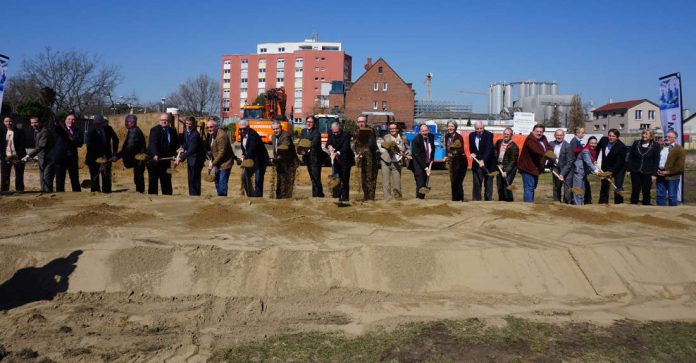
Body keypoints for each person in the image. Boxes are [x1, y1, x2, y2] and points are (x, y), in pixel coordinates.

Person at [49, 113, 84, 192]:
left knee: (75, 179)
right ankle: (60, 195)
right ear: (65, 121)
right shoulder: (61, 129)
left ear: (75, 121)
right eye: (69, 119)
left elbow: (80, 144)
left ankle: (77, 195)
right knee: (60, 179)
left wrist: (74, 140)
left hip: (72, 159)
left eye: (73, 119)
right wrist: (56, 121)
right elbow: (56, 127)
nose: (71, 121)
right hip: (60, 158)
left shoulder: (79, 132)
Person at [518, 124, 552, 203]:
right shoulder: (530, 139)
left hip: (536, 168)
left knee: (532, 187)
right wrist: (547, 154)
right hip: (527, 167)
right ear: (533, 131)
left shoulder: (543, 138)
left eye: (541, 132)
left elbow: (549, 147)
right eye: (537, 131)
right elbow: (535, 150)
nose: (539, 133)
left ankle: (530, 203)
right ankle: (528, 206)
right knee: (529, 187)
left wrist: (551, 152)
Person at [85, 115, 119, 193]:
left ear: (103, 123)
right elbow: (90, 148)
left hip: (107, 157)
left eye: (100, 123)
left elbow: (115, 139)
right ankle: (95, 192)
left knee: (106, 176)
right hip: (93, 158)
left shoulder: (108, 129)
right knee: (95, 177)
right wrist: (100, 162)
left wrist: (115, 153)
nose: (99, 125)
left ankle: (107, 192)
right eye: (97, 124)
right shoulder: (91, 133)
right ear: (94, 124)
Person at [626, 128, 660, 205]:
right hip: (635, 170)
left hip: (648, 172)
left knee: (646, 191)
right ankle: (633, 205)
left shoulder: (655, 145)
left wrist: (654, 174)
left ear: (651, 136)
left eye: (646, 134)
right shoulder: (636, 143)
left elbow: (656, 160)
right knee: (635, 190)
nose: (644, 135)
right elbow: (631, 157)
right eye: (643, 133)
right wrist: (628, 169)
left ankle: (646, 205)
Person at [147, 113, 179, 195]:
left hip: (166, 161)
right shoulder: (154, 130)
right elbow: (153, 143)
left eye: (166, 120)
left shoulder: (172, 131)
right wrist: (155, 154)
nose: (164, 122)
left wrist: (176, 154)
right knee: (153, 182)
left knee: (166, 181)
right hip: (154, 161)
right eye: (162, 120)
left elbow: (175, 145)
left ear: (169, 121)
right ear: (159, 121)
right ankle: (153, 199)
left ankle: (167, 198)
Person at [378, 122, 409, 199]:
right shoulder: (386, 137)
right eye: (390, 129)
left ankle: (398, 198)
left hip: (397, 162)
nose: (392, 130)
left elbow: (408, 148)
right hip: (386, 161)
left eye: (394, 128)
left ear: (397, 129)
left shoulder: (403, 138)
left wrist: (407, 153)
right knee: (386, 182)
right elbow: (390, 145)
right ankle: (387, 199)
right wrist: (399, 150)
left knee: (397, 182)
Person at [23, 117, 55, 192]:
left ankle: (48, 195)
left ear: (40, 122)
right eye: (32, 123)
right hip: (41, 158)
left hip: (49, 159)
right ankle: (43, 193)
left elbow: (41, 146)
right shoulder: (36, 131)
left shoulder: (45, 132)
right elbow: (39, 147)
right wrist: (37, 156)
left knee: (47, 178)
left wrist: (28, 156)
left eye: (36, 122)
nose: (34, 124)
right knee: (42, 178)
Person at [117, 114, 147, 193]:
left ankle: (140, 194)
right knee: (138, 177)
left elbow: (129, 147)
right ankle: (140, 192)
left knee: (139, 178)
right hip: (138, 160)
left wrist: (117, 156)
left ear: (133, 122)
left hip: (139, 160)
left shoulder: (134, 131)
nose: (126, 123)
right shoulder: (134, 130)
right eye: (126, 121)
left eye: (128, 122)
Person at [238, 119, 268, 197]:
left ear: (248, 127)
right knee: (245, 177)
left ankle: (258, 198)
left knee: (258, 180)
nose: (242, 130)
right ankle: (251, 196)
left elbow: (252, 149)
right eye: (240, 129)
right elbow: (244, 148)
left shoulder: (253, 135)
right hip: (250, 159)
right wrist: (244, 154)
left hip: (260, 159)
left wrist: (244, 159)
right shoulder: (242, 135)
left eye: (244, 128)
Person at [206, 118, 236, 196]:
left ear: (216, 127)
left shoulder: (221, 136)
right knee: (217, 182)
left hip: (225, 163)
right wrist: (211, 159)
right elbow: (213, 150)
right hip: (218, 163)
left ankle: (223, 201)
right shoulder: (211, 135)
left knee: (222, 183)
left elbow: (221, 152)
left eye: (211, 127)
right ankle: (219, 198)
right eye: (208, 127)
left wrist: (213, 163)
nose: (209, 129)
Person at [596, 129, 627, 204]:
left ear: (617, 137)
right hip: (606, 166)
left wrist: (611, 172)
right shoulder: (603, 140)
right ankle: (603, 203)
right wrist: (594, 159)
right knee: (605, 185)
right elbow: (597, 149)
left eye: (613, 136)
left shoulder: (621, 146)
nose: (611, 137)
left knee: (618, 186)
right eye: (609, 135)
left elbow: (620, 162)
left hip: (618, 168)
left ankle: (619, 204)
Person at [326, 121, 354, 202]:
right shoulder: (330, 133)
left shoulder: (346, 135)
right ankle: (336, 196)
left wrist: (337, 153)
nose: (335, 134)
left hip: (346, 160)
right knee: (335, 178)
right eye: (333, 132)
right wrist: (329, 146)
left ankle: (345, 198)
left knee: (344, 179)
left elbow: (345, 147)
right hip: (335, 161)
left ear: (340, 129)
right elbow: (328, 142)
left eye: (337, 132)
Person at [177, 116, 206, 196]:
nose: (188, 125)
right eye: (187, 123)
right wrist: (182, 147)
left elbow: (191, 150)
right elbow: (186, 143)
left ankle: (196, 196)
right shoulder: (186, 131)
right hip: (191, 159)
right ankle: (191, 194)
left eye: (190, 124)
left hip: (197, 159)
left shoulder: (195, 135)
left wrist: (181, 158)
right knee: (190, 178)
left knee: (195, 178)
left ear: (193, 124)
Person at [656, 130, 685, 206]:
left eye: (669, 137)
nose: (666, 138)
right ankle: (660, 213)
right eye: (666, 136)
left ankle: (672, 214)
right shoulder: (660, 147)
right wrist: (657, 170)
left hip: (672, 176)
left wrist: (667, 172)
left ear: (674, 138)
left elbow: (680, 166)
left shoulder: (679, 149)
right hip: (659, 174)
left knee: (672, 196)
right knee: (660, 195)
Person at [271, 120, 299, 199]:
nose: (275, 130)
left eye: (277, 128)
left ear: (281, 128)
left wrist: (280, 155)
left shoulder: (286, 135)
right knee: (279, 181)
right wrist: (276, 157)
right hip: (280, 162)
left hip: (289, 162)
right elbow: (275, 149)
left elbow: (285, 145)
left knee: (288, 182)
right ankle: (279, 198)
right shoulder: (273, 137)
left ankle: (287, 199)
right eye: (274, 129)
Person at [353, 116, 379, 201]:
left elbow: (372, 144)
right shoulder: (356, 131)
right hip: (362, 159)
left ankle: (371, 198)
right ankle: (366, 197)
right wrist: (358, 152)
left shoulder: (370, 131)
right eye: (359, 121)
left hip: (371, 158)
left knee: (371, 179)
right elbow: (355, 144)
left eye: (363, 121)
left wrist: (364, 147)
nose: (361, 123)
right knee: (363, 178)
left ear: (366, 122)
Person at [468, 121, 496, 201]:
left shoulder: (489, 135)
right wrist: (472, 154)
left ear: (483, 128)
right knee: (477, 184)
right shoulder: (471, 135)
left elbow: (489, 149)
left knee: (488, 184)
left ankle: (488, 202)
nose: (479, 130)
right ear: (475, 128)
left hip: (488, 164)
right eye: (477, 129)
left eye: (481, 128)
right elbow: (472, 148)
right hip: (477, 164)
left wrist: (483, 160)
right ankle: (476, 202)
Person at [299, 116, 324, 197]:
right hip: (307, 158)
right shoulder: (303, 131)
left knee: (316, 178)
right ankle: (317, 194)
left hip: (315, 158)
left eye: (311, 122)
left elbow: (313, 143)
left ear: (314, 124)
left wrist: (305, 146)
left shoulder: (317, 133)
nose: (309, 124)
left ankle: (317, 195)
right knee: (312, 178)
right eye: (307, 122)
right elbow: (301, 142)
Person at [1, 116, 27, 192]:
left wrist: (16, 156)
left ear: (13, 122)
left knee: (19, 175)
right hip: (6, 156)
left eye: (10, 121)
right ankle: (4, 191)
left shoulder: (20, 131)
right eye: (6, 121)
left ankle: (19, 191)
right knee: (5, 175)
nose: (8, 123)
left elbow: (22, 145)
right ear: (4, 122)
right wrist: (3, 155)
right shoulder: (2, 132)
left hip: (17, 156)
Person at [572, 136, 600, 205]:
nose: (593, 145)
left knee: (582, 189)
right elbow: (588, 162)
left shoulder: (592, 151)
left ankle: (581, 205)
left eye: (595, 143)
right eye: (591, 143)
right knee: (578, 189)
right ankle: (577, 206)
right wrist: (596, 171)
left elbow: (590, 162)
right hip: (579, 172)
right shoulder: (586, 151)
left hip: (583, 172)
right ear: (588, 143)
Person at [443, 121, 466, 201]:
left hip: (460, 162)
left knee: (458, 182)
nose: (450, 128)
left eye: (452, 126)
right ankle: (454, 199)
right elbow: (447, 148)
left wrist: (450, 154)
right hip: (452, 162)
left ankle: (460, 199)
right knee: (453, 181)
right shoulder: (446, 136)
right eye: (449, 126)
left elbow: (461, 150)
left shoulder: (459, 137)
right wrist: (446, 155)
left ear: (455, 127)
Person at [549, 129, 574, 203]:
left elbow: (569, 162)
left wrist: (562, 174)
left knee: (567, 189)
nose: (559, 137)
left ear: (563, 136)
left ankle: (566, 204)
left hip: (567, 169)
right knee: (556, 186)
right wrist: (549, 165)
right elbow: (548, 155)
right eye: (557, 135)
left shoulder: (568, 146)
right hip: (556, 168)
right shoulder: (551, 144)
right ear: (554, 136)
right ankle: (556, 202)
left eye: (561, 135)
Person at [495, 127, 519, 202]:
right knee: (499, 186)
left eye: (508, 134)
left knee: (507, 185)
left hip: (509, 170)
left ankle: (509, 202)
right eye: (505, 134)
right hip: (499, 167)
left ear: (511, 135)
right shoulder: (499, 142)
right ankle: (501, 202)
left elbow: (513, 161)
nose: (506, 135)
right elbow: (495, 152)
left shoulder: (514, 146)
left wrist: (506, 171)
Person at [411, 124, 435, 199]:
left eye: (426, 131)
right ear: (420, 132)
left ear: (428, 131)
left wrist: (431, 160)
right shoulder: (416, 140)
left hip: (428, 163)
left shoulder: (431, 137)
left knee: (425, 184)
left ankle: (422, 199)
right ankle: (418, 200)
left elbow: (433, 149)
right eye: (423, 131)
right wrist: (425, 168)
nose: (425, 132)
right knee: (420, 184)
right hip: (418, 165)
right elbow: (417, 156)